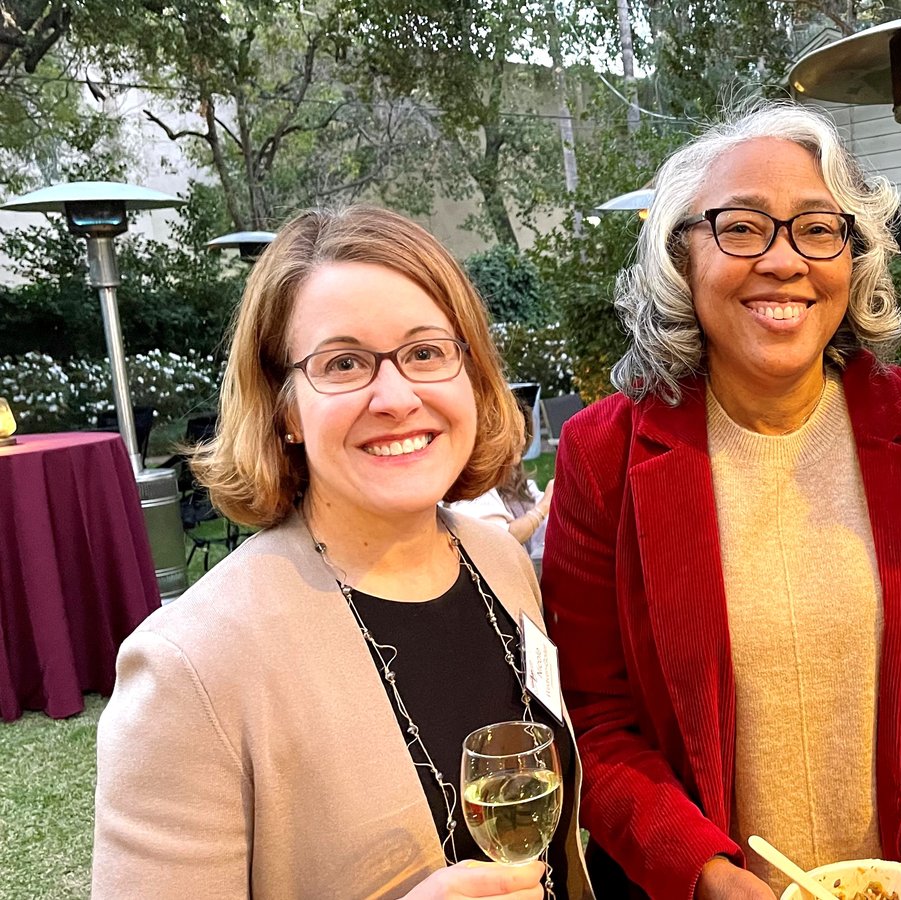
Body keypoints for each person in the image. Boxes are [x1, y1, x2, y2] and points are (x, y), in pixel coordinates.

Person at [540, 102, 901, 900]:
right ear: (681, 256)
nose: (784, 260)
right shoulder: (604, 455)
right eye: (742, 227)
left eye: (817, 229)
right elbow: (593, 717)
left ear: (851, 257)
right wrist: (699, 871)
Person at [93, 206, 595, 900]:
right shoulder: (190, 668)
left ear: (472, 373)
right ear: (285, 409)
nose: (396, 397)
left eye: (426, 352)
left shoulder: (501, 563)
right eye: (344, 363)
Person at [448, 407, 555, 573]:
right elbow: (502, 540)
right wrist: (544, 506)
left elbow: (544, 525)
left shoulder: (516, 479)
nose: (522, 439)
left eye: (523, 430)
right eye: (513, 431)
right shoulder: (472, 490)